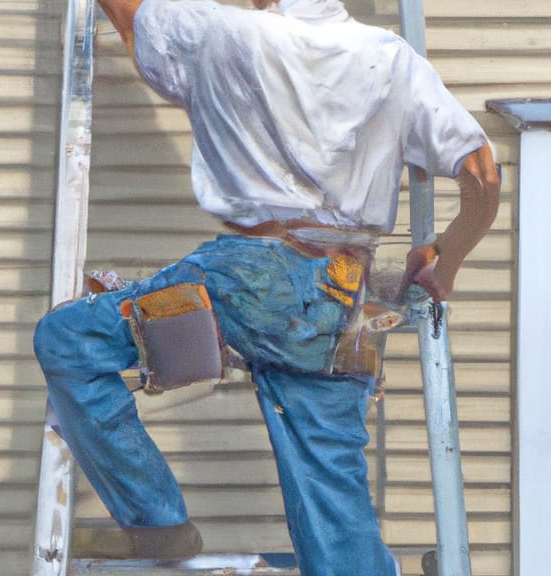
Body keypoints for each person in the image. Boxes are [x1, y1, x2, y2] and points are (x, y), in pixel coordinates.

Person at [33, 0, 500, 574]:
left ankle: (157, 525)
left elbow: (131, 18)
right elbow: (482, 171)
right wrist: (444, 259)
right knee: (330, 488)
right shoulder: (392, 58)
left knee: (70, 339)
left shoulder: (221, 31)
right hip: (341, 296)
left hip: (248, 278)